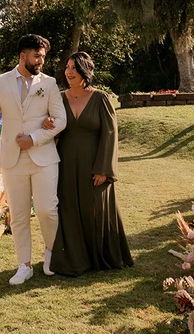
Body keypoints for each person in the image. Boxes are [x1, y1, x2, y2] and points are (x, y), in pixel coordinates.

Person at [0, 34, 67, 285]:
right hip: (11, 158)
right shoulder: (0, 82)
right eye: (37, 56)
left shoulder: (49, 83)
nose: (41, 60)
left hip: (44, 157)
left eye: (43, 56)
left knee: (46, 209)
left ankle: (50, 252)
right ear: (22, 56)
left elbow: (61, 120)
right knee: (18, 215)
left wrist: (35, 137)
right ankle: (24, 265)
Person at [41, 52, 133, 276]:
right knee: (69, 209)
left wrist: (103, 169)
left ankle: (99, 256)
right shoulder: (59, 98)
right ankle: (74, 257)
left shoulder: (101, 98)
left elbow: (110, 135)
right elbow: (50, 127)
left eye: (74, 67)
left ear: (85, 71)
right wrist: (46, 123)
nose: (69, 72)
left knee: (96, 210)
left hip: (95, 164)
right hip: (65, 162)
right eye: (67, 67)